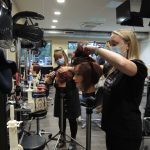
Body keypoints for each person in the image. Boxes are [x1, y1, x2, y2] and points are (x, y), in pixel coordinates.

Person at [82, 29, 148, 150]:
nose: (111, 48)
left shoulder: (138, 66)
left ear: (128, 45)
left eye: (114, 44)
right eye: (110, 44)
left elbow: (123, 64)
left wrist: (97, 49)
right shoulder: (113, 69)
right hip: (112, 126)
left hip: (126, 130)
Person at [45, 48, 81, 150]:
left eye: (60, 57)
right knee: (61, 119)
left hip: (71, 95)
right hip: (59, 96)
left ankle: (73, 140)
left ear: (64, 56)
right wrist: (48, 79)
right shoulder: (55, 70)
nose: (58, 60)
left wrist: (69, 69)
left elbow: (80, 73)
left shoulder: (73, 68)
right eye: (56, 58)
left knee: (72, 119)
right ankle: (62, 138)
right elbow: (48, 83)